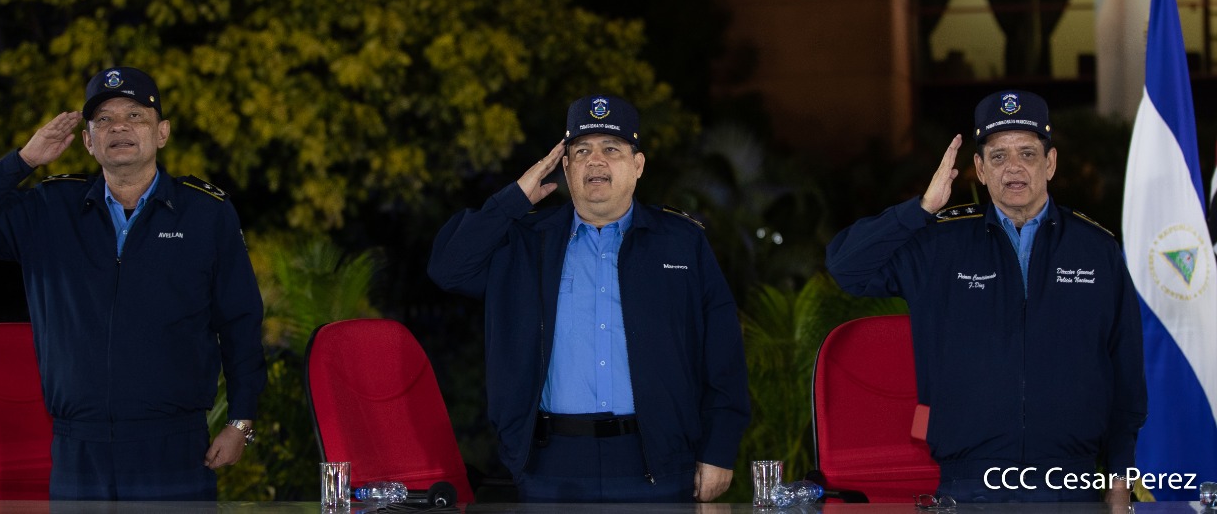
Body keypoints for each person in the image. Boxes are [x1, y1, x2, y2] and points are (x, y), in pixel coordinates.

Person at [0, 67, 266, 500]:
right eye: (104, 119)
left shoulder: (205, 212)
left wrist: (241, 420)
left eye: (135, 116)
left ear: (162, 133)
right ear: (88, 141)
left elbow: (241, 320)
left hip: (173, 445)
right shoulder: (50, 208)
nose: (119, 127)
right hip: (78, 448)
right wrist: (23, 161)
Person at [826, 90, 1146, 505]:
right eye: (998, 156)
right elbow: (846, 268)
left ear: (1050, 163)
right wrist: (921, 208)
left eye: (1027, 153)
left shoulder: (1096, 249)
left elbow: (1126, 373)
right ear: (979, 168)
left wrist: (1120, 477)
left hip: (1071, 484)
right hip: (968, 487)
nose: (1013, 166)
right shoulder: (941, 244)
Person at [428, 94, 750, 503]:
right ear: (565, 168)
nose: (595, 161)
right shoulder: (524, 241)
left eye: (611, 149)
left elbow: (723, 355)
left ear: (638, 165)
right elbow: (448, 269)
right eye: (581, 151)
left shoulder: (681, 243)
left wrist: (719, 448)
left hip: (659, 463)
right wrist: (513, 200)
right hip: (549, 466)